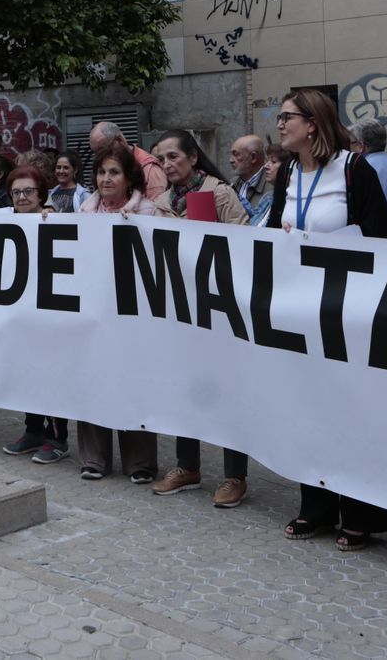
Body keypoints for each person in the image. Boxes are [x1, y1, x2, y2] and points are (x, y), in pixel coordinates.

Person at [269, 88, 387, 550]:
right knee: (308, 409)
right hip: (301, 311)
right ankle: (317, 505)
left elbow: (380, 236)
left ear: (314, 123)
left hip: (348, 310)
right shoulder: (286, 171)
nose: (280, 124)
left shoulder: (353, 169)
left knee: (349, 411)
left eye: (288, 117)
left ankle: (360, 512)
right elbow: (270, 235)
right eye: (280, 117)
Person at [148, 129, 253, 509]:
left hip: (220, 310)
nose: (168, 165)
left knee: (226, 391)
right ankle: (187, 467)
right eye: (161, 159)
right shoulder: (159, 201)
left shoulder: (220, 194)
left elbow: (244, 246)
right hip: (179, 311)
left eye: (174, 156)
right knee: (184, 387)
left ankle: (234, 475)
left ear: (194, 157)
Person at [74, 147, 160, 484]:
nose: (106, 179)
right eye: (101, 173)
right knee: (91, 379)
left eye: (114, 173)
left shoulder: (149, 212)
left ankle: (140, 461)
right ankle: (94, 458)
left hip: (132, 314)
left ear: (129, 178)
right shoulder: (83, 211)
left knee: (132, 381)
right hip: (92, 311)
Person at [0, 164, 73, 464]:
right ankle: (33, 430)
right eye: (16, 192)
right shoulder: (2, 222)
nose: (22, 197)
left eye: (28, 191)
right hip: (19, 312)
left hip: (50, 313)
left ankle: (57, 438)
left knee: (50, 374)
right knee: (26, 373)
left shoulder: (55, 219)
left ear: (41, 193)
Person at [88, 121, 167, 201]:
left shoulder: (149, 168)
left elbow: (158, 208)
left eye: (103, 149)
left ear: (119, 140)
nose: (99, 156)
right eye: (95, 152)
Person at [227, 134, 276, 226]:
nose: (231, 160)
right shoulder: (232, 184)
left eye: (236, 154)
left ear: (253, 157)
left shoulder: (272, 188)